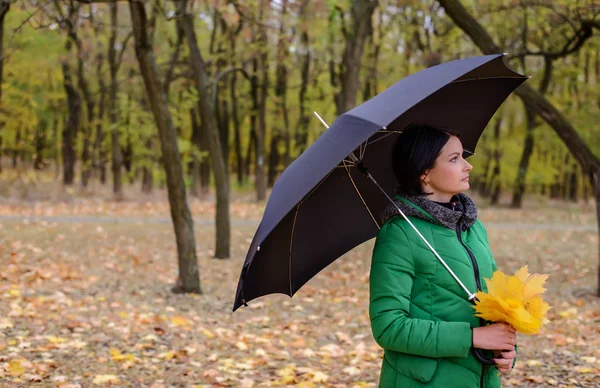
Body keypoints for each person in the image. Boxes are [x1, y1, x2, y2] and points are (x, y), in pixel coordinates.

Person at [369, 123, 517, 388]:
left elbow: (495, 304)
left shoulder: (472, 226)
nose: (467, 165)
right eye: (454, 159)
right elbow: (389, 326)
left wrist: (505, 349)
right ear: (424, 172)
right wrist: (472, 337)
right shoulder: (400, 233)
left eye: (463, 156)